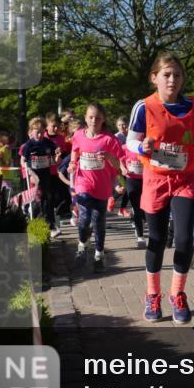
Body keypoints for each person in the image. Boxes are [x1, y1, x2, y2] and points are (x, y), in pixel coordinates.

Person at [127, 53, 194, 325]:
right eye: (166, 75)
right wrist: (142, 147)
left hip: (185, 179)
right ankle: (152, 295)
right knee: (158, 239)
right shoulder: (144, 106)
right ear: (154, 78)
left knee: (184, 239)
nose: (172, 80)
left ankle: (178, 293)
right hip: (155, 179)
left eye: (177, 75)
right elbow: (130, 141)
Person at [70, 103, 124, 273]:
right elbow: (75, 150)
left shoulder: (109, 139)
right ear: (85, 118)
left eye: (98, 118)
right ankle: (82, 246)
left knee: (98, 222)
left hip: (101, 186)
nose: (94, 120)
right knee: (85, 217)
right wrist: (72, 163)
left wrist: (108, 157)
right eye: (91, 117)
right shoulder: (78, 135)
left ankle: (99, 254)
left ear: (104, 119)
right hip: (82, 183)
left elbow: (119, 164)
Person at [19, 117, 60, 235]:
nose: (40, 134)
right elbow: (23, 161)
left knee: (47, 199)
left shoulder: (48, 143)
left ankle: (50, 225)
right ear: (31, 131)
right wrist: (30, 173)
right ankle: (36, 225)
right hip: (33, 176)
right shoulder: (29, 145)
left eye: (42, 132)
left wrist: (57, 157)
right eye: (37, 132)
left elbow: (54, 161)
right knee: (36, 200)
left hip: (46, 175)